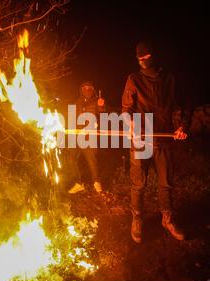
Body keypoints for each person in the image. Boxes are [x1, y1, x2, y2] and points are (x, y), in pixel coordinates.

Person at [122, 41, 189, 243]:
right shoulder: (134, 80)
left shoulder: (169, 79)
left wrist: (182, 127)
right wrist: (130, 125)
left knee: (165, 183)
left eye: (146, 57)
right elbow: (126, 109)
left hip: (163, 139)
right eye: (139, 58)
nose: (143, 61)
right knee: (138, 184)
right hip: (141, 140)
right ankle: (137, 219)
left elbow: (183, 105)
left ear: (154, 56)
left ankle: (167, 219)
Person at [68, 81, 106, 194]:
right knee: (71, 158)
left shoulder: (96, 101)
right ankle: (79, 183)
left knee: (91, 160)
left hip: (90, 135)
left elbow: (102, 114)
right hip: (77, 134)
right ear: (81, 89)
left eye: (89, 87)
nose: (86, 89)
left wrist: (101, 106)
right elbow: (74, 116)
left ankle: (96, 182)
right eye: (84, 87)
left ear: (92, 89)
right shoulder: (78, 102)